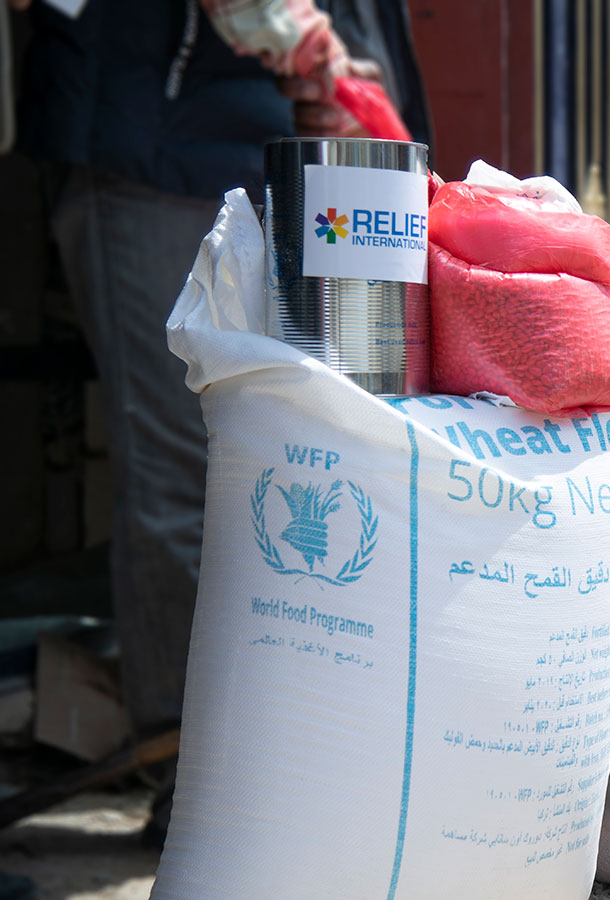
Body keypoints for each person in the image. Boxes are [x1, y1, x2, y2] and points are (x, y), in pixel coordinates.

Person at [12, 0, 429, 845]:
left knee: (305, 464)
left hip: (292, 147)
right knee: (184, 473)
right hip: (154, 135)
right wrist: (305, 43)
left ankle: (272, 758)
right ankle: (188, 773)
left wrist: (354, 65)